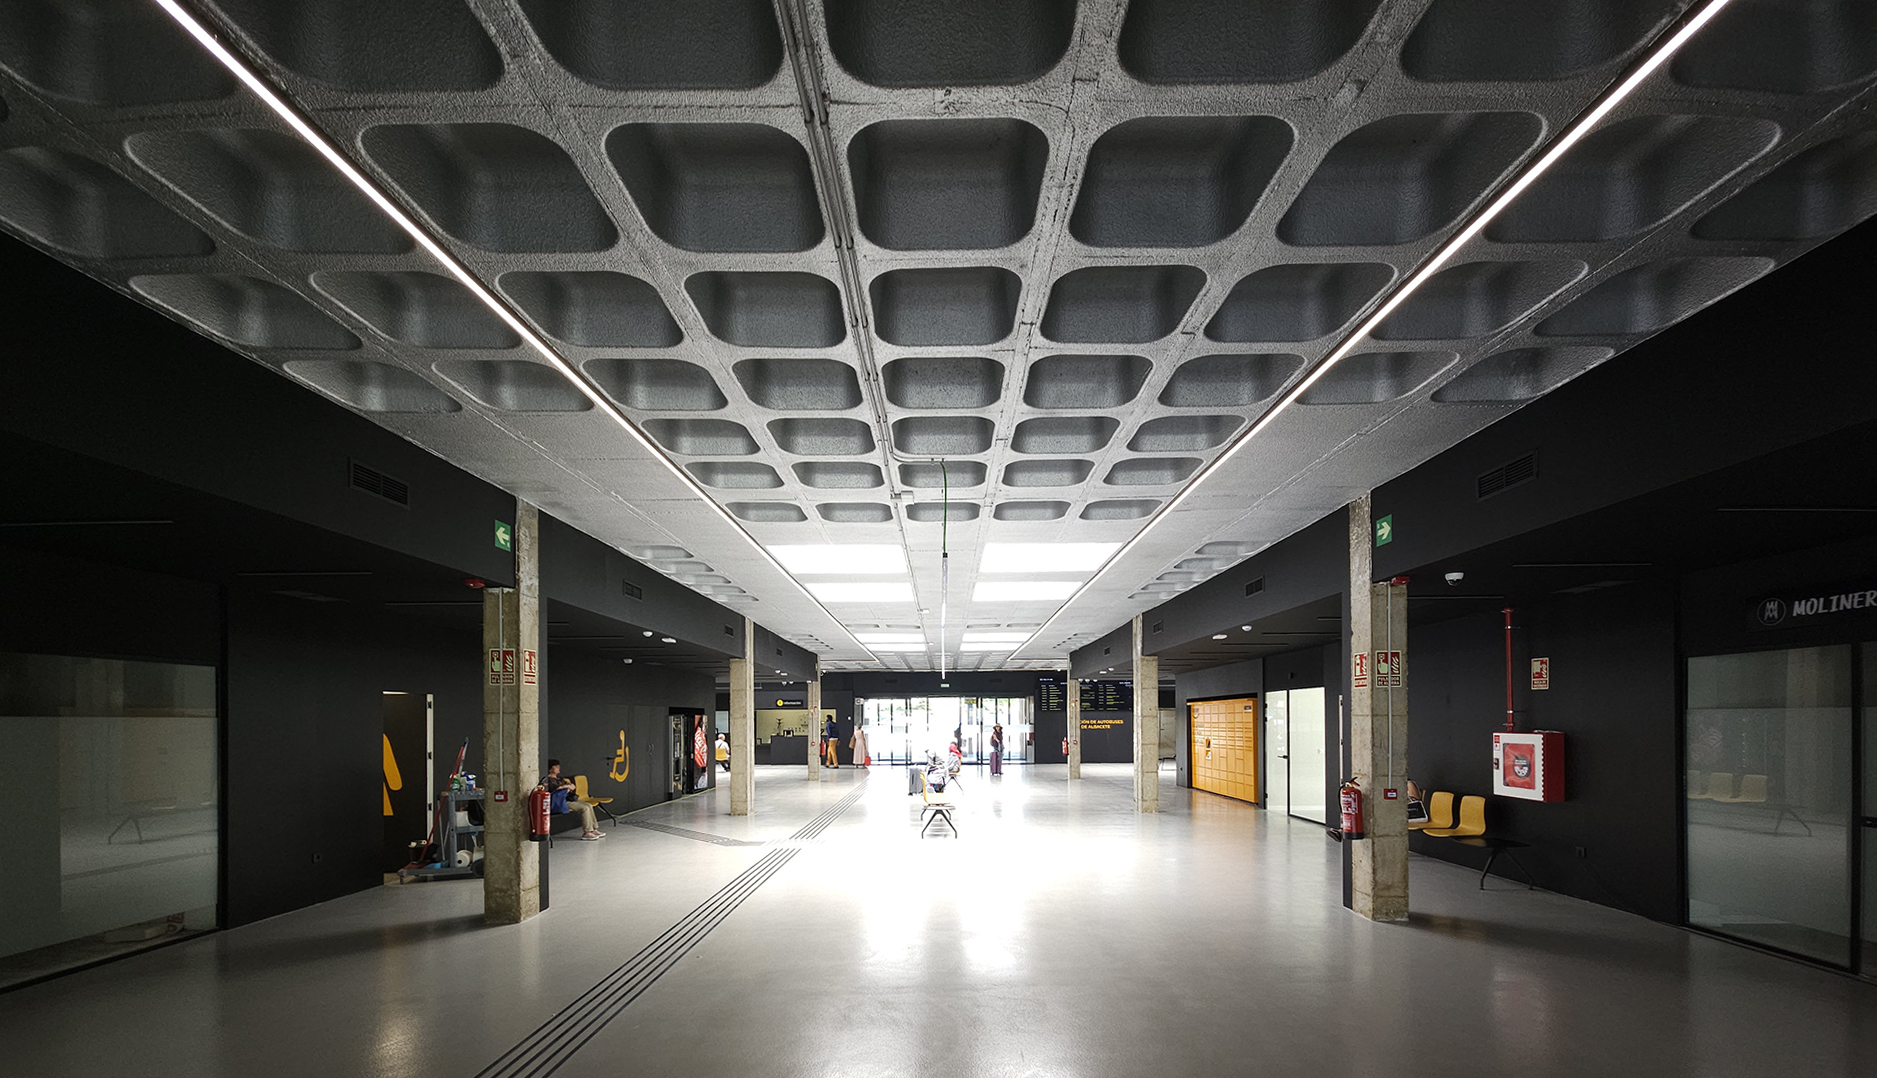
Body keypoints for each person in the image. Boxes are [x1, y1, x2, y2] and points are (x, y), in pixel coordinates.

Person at [537, 759, 606, 840]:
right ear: (550, 769)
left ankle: (594, 829)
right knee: (584, 808)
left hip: (568, 798)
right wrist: (565, 787)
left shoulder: (559, 779)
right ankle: (587, 832)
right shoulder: (548, 780)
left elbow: (572, 786)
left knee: (589, 805)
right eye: (556, 767)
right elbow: (556, 790)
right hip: (560, 802)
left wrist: (566, 787)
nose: (558, 768)